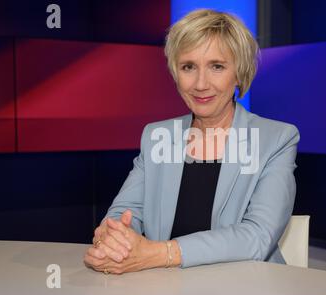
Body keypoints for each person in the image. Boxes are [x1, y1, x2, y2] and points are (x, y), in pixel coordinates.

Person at [84, 9, 300, 274]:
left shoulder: (275, 139)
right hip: (163, 285)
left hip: (245, 287)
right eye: (188, 67)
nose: (200, 84)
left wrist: (161, 253)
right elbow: (127, 210)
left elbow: (257, 236)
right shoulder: (157, 136)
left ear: (239, 74)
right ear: (176, 73)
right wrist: (115, 237)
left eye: (217, 66)